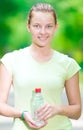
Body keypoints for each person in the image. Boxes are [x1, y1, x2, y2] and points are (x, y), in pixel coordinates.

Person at [0, 2, 81, 130]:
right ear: (28, 26)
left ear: (55, 27)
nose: (43, 32)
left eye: (48, 26)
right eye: (37, 26)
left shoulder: (68, 64)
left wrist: (57, 109)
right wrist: (22, 114)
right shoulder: (10, 60)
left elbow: (77, 111)